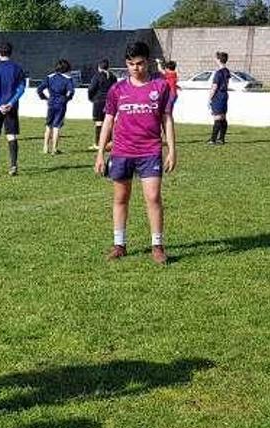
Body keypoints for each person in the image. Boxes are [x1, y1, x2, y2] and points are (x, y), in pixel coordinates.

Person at [95, 41, 176, 266]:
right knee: (121, 198)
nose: (135, 68)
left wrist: (172, 149)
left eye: (139, 64)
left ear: (147, 62)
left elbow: (166, 119)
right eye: (131, 64)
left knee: (153, 197)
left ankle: (157, 246)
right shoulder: (117, 90)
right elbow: (108, 121)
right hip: (121, 151)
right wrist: (100, 153)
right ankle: (119, 244)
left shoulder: (160, 87)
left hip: (150, 151)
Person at [0, 42, 26, 176]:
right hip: (11, 108)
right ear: (10, 53)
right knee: (11, 136)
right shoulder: (17, 68)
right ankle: (13, 166)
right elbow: (21, 88)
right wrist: (11, 103)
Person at [37, 59, 75, 155]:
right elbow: (71, 91)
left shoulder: (49, 77)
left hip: (51, 102)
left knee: (48, 125)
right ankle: (54, 149)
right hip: (61, 103)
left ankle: (45, 147)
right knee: (57, 126)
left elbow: (39, 89)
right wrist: (67, 99)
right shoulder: (67, 79)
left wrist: (44, 98)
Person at [86, 59, 117, 150]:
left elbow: (91, 89)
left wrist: (91, 98)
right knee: (109, 122)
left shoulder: (97, 76)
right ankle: (109, 143)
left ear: (99, 67)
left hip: (99, 101)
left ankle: (98, 144)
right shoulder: (113, 77)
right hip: (110, 101)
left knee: (99, 122)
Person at [208, 52, 231, 145]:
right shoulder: (227, 71)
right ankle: (221, 139)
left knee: (217, 117)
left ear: (218, 60)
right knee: (223, 117)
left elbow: (214, 86)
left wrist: (210, 98)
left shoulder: (218, 73)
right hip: (225, 94)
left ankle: (213, 139)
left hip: (218, 95)